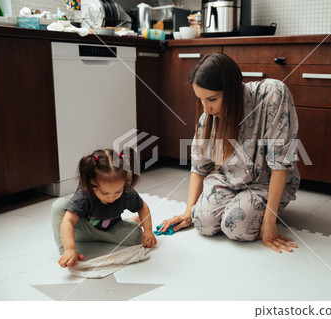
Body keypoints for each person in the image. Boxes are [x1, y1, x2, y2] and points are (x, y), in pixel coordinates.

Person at [159, 53, 301, 253]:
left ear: (232, 90)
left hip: (265, 183)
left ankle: (255, 210)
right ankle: (230, 206)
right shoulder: (208, 117)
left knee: (238, 229)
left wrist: (269, 223)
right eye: (200, 100)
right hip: (228, 179)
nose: (206, 109)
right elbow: (199, 167)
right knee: (202, 222)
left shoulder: (273, 94)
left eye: (212, 99)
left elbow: (280, 163)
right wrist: (187, 213)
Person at [52, 149, 157, 268]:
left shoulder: (126, 192)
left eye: (118, 191)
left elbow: (142, 207)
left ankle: (128, 222)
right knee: (59, 207)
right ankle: (66, 254)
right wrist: (70, 248)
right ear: (92, 184)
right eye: (105, 193)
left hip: (110, 228)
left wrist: (148, 230)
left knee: (137, 236)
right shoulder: (84, 195)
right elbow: (68, 221)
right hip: (83, 229)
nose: (112, 197)